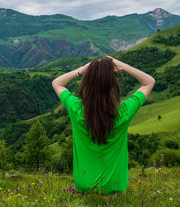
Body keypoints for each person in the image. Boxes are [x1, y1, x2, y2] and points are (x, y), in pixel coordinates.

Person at [52, 55, 155, 195]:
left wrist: (83, 69)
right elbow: (149, 82)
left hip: (84, 186)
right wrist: (123, 66)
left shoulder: (77, 110)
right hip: (116, 186)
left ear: (87, 84)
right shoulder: (123, 113)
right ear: (113, 86)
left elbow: (57, 83)